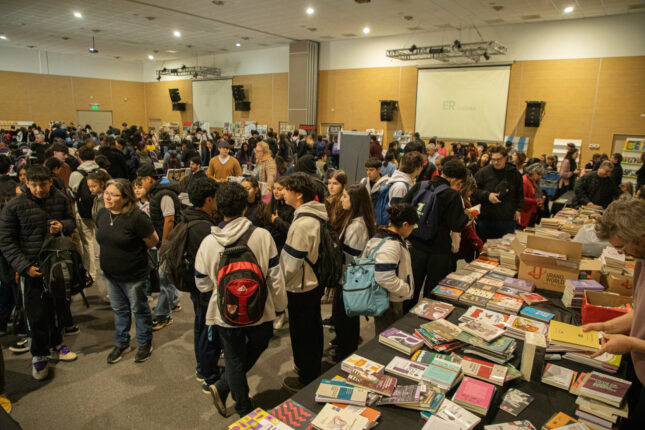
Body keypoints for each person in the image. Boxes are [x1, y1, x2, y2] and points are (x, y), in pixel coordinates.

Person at [195, 182, 286, 417]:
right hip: (260, 309)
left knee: (233, 358)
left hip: (225, 312)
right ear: (245, 207)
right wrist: (280, 307)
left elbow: (201, 283)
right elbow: (275, 276)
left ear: (219, 208)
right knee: (261, 341)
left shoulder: (209, 242)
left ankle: (242, 406)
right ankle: (224, 386)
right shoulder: (262, 236)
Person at [0, 165, 77, 380]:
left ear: (50, 182)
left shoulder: (60, 198)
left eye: (42, 184)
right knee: (35, 314)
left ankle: (57, 344)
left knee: (59, 307)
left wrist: (62, 226)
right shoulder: (14, 206)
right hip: (31, 267)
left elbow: (71, 222)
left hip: (57, 263)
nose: (38, 189)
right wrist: (24, 266)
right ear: (26, 183)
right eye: (33, 185)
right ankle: (39, 354)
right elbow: (6, 240)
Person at [582, 198, 645, 429]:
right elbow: (640, 312)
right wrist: (606, 326)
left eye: (622, 247)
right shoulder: (641, 260)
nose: (621, 253)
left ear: (640, 236)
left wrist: (630, 343)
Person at [95, 179, 158, 364]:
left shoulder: (137, 217)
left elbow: (153, 240)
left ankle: (145, 342)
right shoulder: (102, 214)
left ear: (125, 198)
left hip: (133, 275)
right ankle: (122, 343)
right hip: (110, 275)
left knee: (139, 309)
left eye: (113, 195)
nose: (107, 197)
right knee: (119, 310)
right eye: (106, 193)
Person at [280, 172, 328, 392]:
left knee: (302, 332)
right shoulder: (316, 214)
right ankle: (312, 367)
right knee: (313, 326)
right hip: (314, 281)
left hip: (301, 285)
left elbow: (291, 264)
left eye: (286, 189)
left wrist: (279, 284)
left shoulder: (302, 223)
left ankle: (306, 376)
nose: (283, 192)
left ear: (299, 194)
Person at [402, 159, 471, 313]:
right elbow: (457, 225)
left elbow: (403, 207)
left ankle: (405, 320)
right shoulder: (452, 195)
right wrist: (466, 216)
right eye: (459, 183)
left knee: (411, 289)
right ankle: (426, 319)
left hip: (415, 246)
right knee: (433, 293)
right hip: (439, 252)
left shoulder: (420, 185)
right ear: (454, 179)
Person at [179, 177, 223, 393]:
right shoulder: (204, 228)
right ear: (208, 200)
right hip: (204, 287)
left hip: (194, 284)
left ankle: (202, 368)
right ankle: (210, 376)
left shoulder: (187, 217)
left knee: (201, 326)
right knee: (208, 330)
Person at [328, 184, 376, 363]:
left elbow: (350, 258)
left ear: (355, 201)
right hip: (350, 280)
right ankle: (345, 348)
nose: (341, 200)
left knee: (345, 320)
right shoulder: (356, 220)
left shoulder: (356, 226)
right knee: (344, 319)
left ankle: (346, 353)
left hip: (349, 281)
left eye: (345, 197)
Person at [137, 164, 182, 330]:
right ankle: (174, 302)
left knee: (164, 277)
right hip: (167, 241)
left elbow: (169, 220)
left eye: (142, 182)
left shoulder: (164, 194)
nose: (141, 185)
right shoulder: (158, 193)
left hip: (169, 242)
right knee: (167, 274)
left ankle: (163, 315)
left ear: (149, 179)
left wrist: (163, 244)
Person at [365, 203, 417, 333]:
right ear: (405, 224)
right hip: (389, 300)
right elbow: (384, 277)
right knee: (387, 334)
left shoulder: (381, 236)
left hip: (385, 296)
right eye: (413, 226)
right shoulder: (391, 245)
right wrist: (405, 289)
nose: (413, 230)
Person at [473, 145, 524, 241]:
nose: (496, 162)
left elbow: (520, 193)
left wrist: (519, 209)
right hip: (487, 219)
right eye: (493, 159)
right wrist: (487, 195)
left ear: (505, 158)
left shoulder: (514, 174)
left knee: (506, 247)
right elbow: (473, 191)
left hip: (507, 219)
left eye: (499, 159)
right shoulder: (483, 173)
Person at [69, 145, 101, 283]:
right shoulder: (102, 172)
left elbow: (72, 194)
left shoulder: (75, 174)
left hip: (83, 213)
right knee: (102, 241)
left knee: (88, 244)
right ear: (94, 157)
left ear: (79, 158)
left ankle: (91, 274)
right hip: (101, 212)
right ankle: (105, 269)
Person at [458, 175, 483, 263]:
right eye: (471, 190)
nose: (472, 193)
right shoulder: (461, 202)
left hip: (465, 241)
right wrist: (477, 242)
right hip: (464, 242)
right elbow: (466, 227)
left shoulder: (464, 200)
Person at [519, 163, 546, 228]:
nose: (540, 177)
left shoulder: (532, 180)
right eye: (538, 174)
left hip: (532, 212)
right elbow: (521, 198)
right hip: (525, 213)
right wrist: (535, 201)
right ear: (533, 172)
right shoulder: (524, 181)